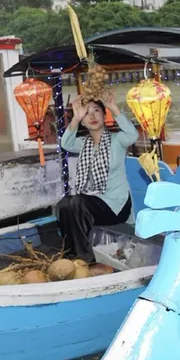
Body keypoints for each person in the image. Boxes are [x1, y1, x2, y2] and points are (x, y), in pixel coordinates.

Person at [56, 91, 138, 263]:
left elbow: (133, 135)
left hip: (117, 205)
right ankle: (71, 257)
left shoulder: (118, 140)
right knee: (64, 204)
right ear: (83, 121)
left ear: (104, 114)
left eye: (96, 111)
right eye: (86, 113)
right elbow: (65, 143)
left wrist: (113, 108)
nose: (92, 116)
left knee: (77, 203)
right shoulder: (83, 144)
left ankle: (85, 259)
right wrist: (75, 118)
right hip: (92, 201)